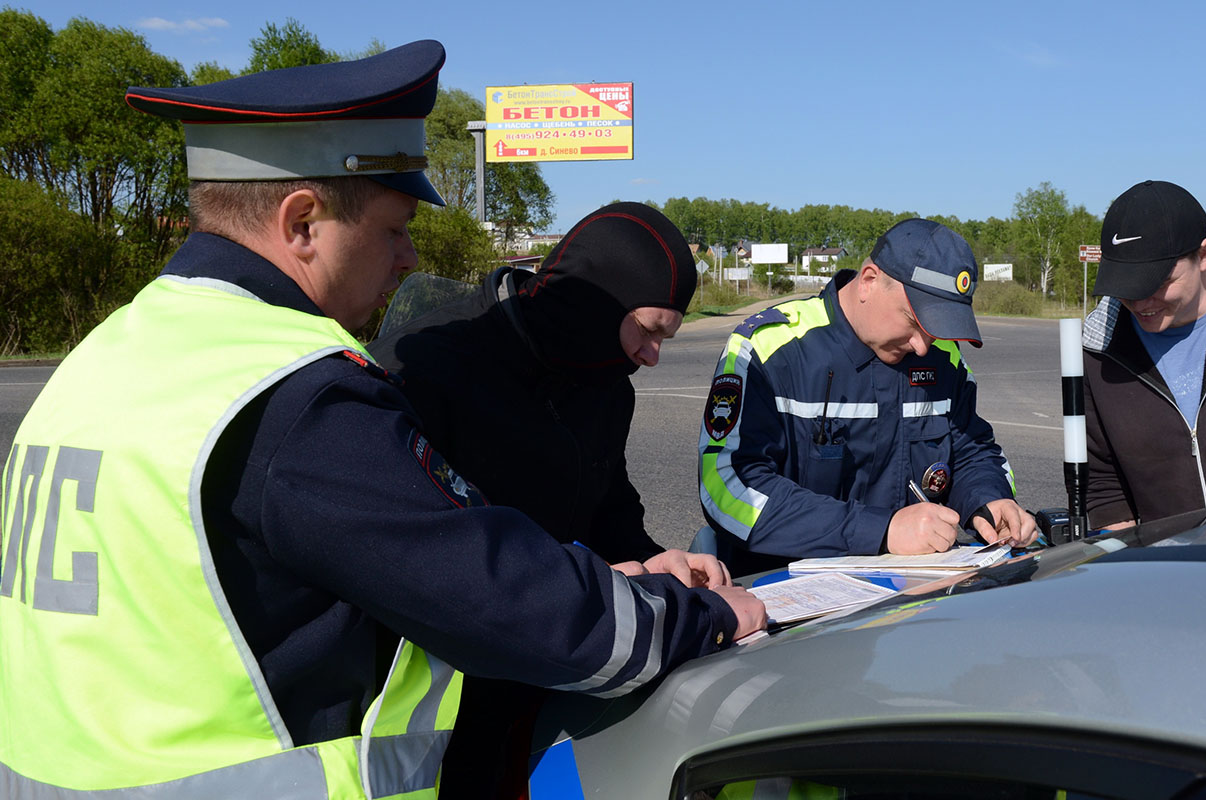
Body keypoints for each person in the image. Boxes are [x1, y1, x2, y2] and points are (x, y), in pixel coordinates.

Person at [0, 41, 764, 798]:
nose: (406, 259)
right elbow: (489, 592)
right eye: (394, 228)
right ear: (303, 222)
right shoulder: (295, 396)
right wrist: (699, 618)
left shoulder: (114, 349)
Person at [369, 201, 729, 796]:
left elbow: (607, 494)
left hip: (550, 674)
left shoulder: (604, 382)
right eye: (647, 331)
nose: (651, 357)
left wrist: (650, 554)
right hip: (430, 708)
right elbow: (425, 562)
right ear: (592, 303)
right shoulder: (428, 367)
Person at [698, 218, 1038, 574]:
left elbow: (972, 452)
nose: (923, 347)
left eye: (936, 331)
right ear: (869, 281)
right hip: (786, 599)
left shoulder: (945, 359)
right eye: (913, 321)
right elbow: (728, 486)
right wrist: (882, 530)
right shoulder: (769, 348)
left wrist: (988, 500)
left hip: (913, 598)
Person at [1084, 180, 1206, 528]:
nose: (1140, 303)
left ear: (1204, 254)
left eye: (1156, 283)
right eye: (1126, 287)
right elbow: (1105, 488)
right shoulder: (1099, 344)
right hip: (1174, 573)